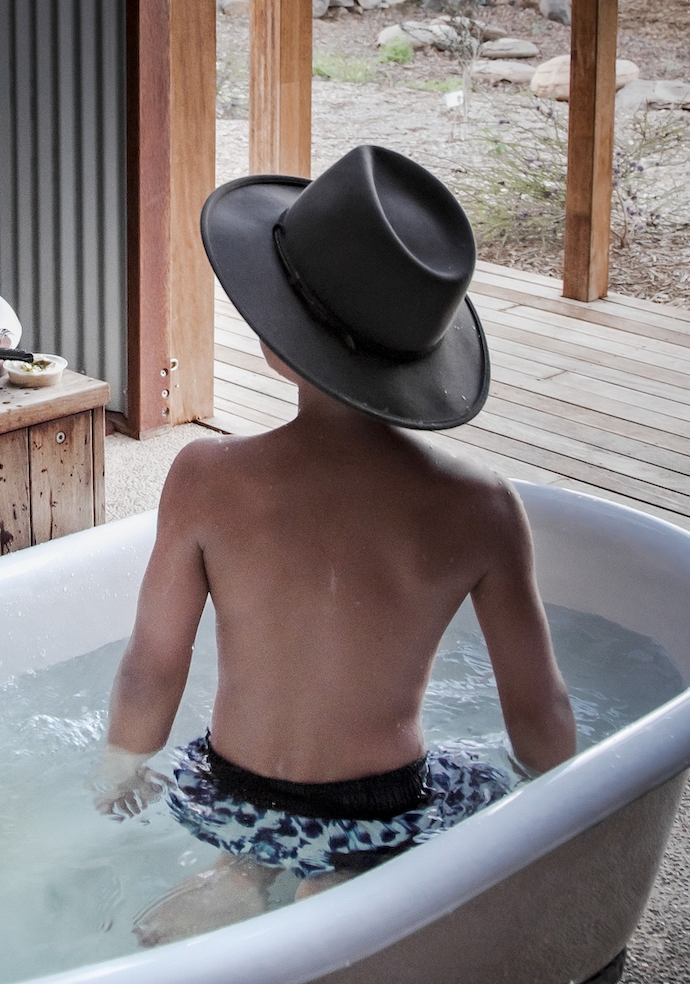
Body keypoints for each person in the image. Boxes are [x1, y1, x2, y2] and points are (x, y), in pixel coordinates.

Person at [93, 145, 576, 944]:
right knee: (385, 859)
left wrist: (119, 768)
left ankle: (240, 873)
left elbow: (153, 665)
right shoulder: (482, 508)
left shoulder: (206, 477)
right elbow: (538, 712)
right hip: (380, 800)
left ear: (281, 333)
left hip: (235, 786)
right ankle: (339, 882)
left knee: (248, 848)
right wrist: (570, 812)